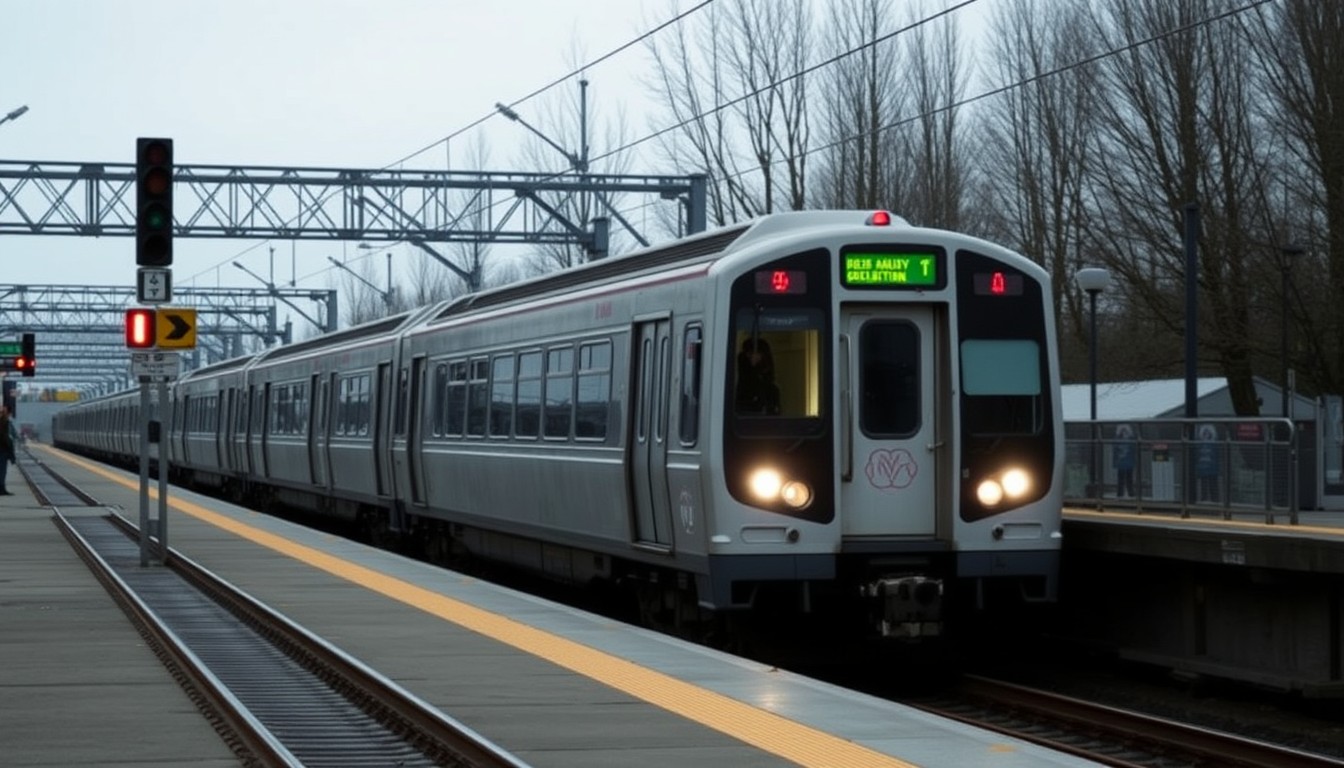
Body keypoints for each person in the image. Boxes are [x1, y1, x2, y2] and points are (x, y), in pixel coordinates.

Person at [735, 337, 781, 415]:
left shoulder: (772, 389)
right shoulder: (744, 383)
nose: (755, 358)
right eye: (749, 354)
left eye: (759, 354)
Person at [1195, 423, 1219, 503]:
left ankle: (1214, 499)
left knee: (1213, 484)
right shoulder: (1200, 445)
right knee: (1204, 484)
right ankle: (1204, 498)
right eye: (1205, 433)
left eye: (1207, 433)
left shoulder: (1214, 445)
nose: (1206, 435)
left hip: (1212, 468)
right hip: (1204, 469)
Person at [1113, 423, 1136, 498]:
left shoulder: (1121, 440)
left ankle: (1126, 493)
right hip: (1124, 461)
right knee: (1123, 477)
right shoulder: (1128, 440)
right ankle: (1125, 493)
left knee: (1126, 477)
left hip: (1124, 460)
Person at [0, 405, 14, 495]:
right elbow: (5, 437)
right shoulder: (5, 422)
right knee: (2, 470)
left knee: (2, 470)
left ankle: (2, 488)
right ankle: (2, 489)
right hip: (2, 450)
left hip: (3, 449)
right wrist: (10, 449)